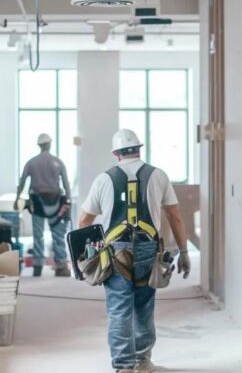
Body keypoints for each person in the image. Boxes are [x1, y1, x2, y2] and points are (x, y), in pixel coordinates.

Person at [79, 129, 191, 373]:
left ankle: (124, 366)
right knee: (144, 306)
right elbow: (175, 217)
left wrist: (88, 255)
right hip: (148, 248)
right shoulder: (159, 176)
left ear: (115, 153)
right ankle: (142, 361)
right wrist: (184, 251)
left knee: (119, 309)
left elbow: (84, 222)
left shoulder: (103, 179)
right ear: (139, 149)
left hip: (115, 252)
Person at [16, 133, 73, 277]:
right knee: (58, 235)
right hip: (56, 201)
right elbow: (66, 184)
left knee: (38, 235)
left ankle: (37, 266)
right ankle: (61, 265)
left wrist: (17, 199)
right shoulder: (58, 162)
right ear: (49, 144)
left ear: (39, 145)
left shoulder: (31, 162)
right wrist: (68, 202)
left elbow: (22, 182)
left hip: (37, 202)